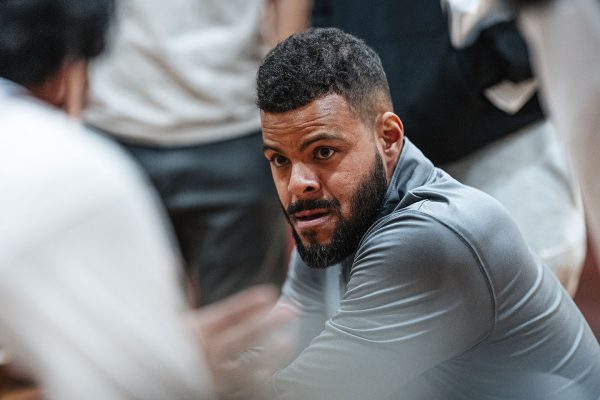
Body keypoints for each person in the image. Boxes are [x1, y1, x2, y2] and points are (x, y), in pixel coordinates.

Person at [255, 28, 600, 399]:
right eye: (280, 160)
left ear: (388, 138)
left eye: (323, 152)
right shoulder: (328, 215)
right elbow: (292, 329)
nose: (298, 184)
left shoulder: (428, 236)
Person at [0, 0, 292, 398]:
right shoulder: (75, 167)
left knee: (243, 345)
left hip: (235, 123)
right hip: (115, 126)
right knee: (99, 343)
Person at [311, 0, 585, 296]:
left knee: (526, 299)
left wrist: (493, 58)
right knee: (384, 321)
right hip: (377, 152)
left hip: (502, 124)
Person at [84, 0, 300, 306]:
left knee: (245, 329)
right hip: (114, 127)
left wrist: (285, 103)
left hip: (235, 127)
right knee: (120, 326)